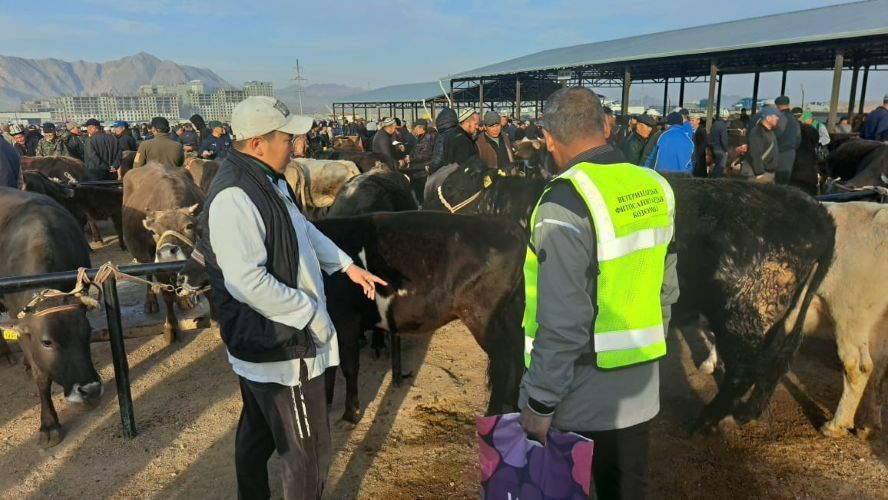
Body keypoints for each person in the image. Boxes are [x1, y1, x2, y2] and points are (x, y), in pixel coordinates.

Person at [197, 95, 385, 499]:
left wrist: (346, 266)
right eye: (287, 138)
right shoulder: (235, 196)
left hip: (269, 340)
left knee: (258, 433)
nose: (296, 146)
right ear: (258, 143)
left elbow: (302, 229)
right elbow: (246, 280)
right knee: (307, 454)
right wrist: (310, 314)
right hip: (282, 346)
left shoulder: (266, 179)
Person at [519, 87, 677, 500]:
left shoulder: (564, 202)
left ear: (548, 137)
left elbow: (563, 320)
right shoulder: (654, 186)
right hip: (640, 388)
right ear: (606, 127)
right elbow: (666, 289)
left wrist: (540, 402)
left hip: (579, 397)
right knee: (627, 488)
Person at [740, 106, 781, 181]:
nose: (778, 118)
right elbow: (755, 154)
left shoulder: (770, 132)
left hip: (768, 172)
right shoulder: (757, 132)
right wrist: (759, 173)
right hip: (759, 174)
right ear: (768, 118)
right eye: (776, 116)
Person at [773, 96, 801, 185]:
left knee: (777, 181)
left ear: (777, 106)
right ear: (788, 104)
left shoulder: (781, 117)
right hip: (791, 152)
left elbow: (776, 135)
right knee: (785, 180)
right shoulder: (794, 119)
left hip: (780, 152)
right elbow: (798, 137)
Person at [707, 109, 731, 178]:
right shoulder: (723, 126)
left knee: (716, 165)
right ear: (726, 117)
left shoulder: (715, 124)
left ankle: (711, 179)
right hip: (720, 149)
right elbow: (724, 140)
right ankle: (716, 180)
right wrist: (726, 150)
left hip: (713, 148)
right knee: (720, 167)